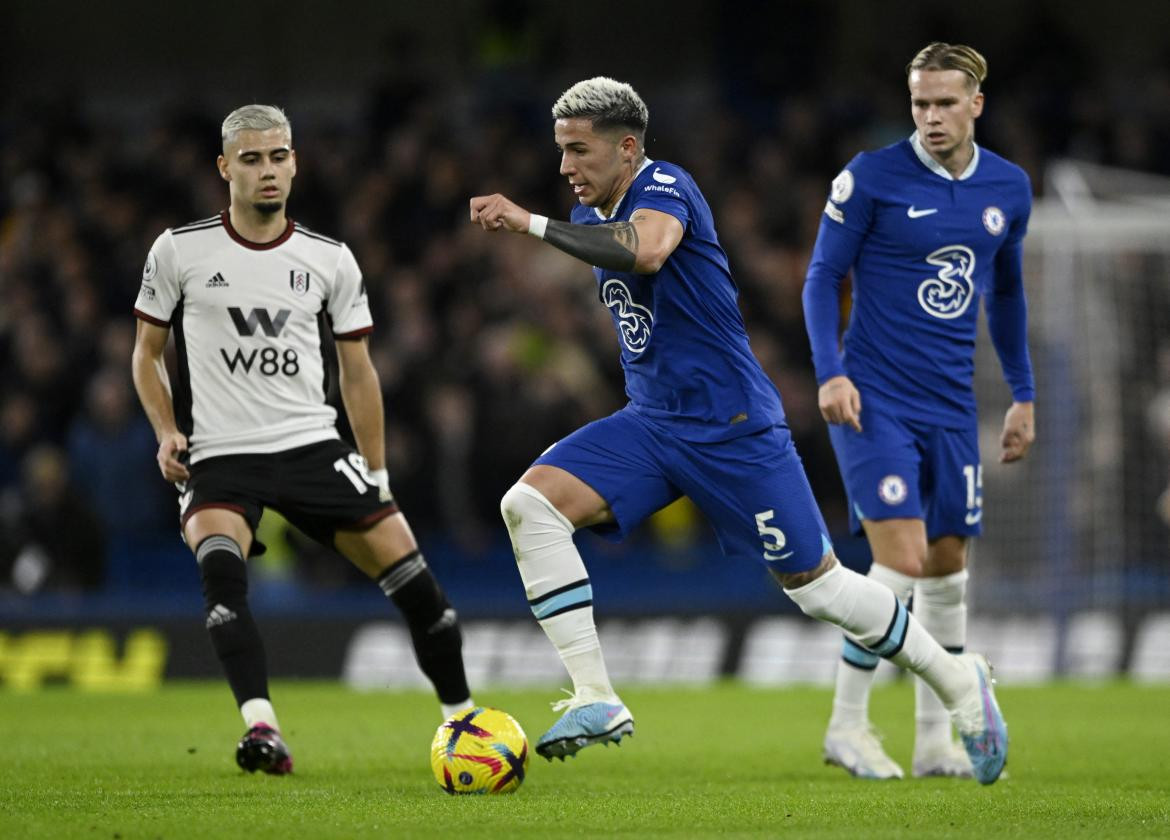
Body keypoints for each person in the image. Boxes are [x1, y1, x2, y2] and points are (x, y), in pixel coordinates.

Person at [471, 76, 1008, 784]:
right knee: (528, 504)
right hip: (653, 423)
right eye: (560, 151)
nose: (566, 166)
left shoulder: (664, 186)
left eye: (580, 150)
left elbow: (649, 251)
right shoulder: (605, 210)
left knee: (816, 587)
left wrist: (532, 224)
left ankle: (957, 680)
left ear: (627, 149)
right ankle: (597, 695)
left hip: (732, 430)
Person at [131, 104, 473, 775]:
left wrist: (374, 469)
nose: (268, 171)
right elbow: (146, 354)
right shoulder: (179, 250)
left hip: (312, 446)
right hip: (222, 454)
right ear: (225, 167)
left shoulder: (330, 259)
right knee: (223, 583)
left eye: (279, 156)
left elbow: (357, 371)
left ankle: (463, 723)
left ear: (295, 163)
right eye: (252, 159)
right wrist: (168, 431)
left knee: (424, 596)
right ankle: (262, 729)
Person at [802, 43, 1035, 780]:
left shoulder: (1009, 187)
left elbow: (1006, 296)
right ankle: (847, 725)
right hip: (875, 401)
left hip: (951, 407)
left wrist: (1023, 394)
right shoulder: (871, 176)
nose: (930, 117)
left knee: (945, 569)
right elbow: (820, 279)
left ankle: (935, 742)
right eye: (919, 104)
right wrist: (831, 373)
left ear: (975, 105)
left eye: (944, 103)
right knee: (898, 560)